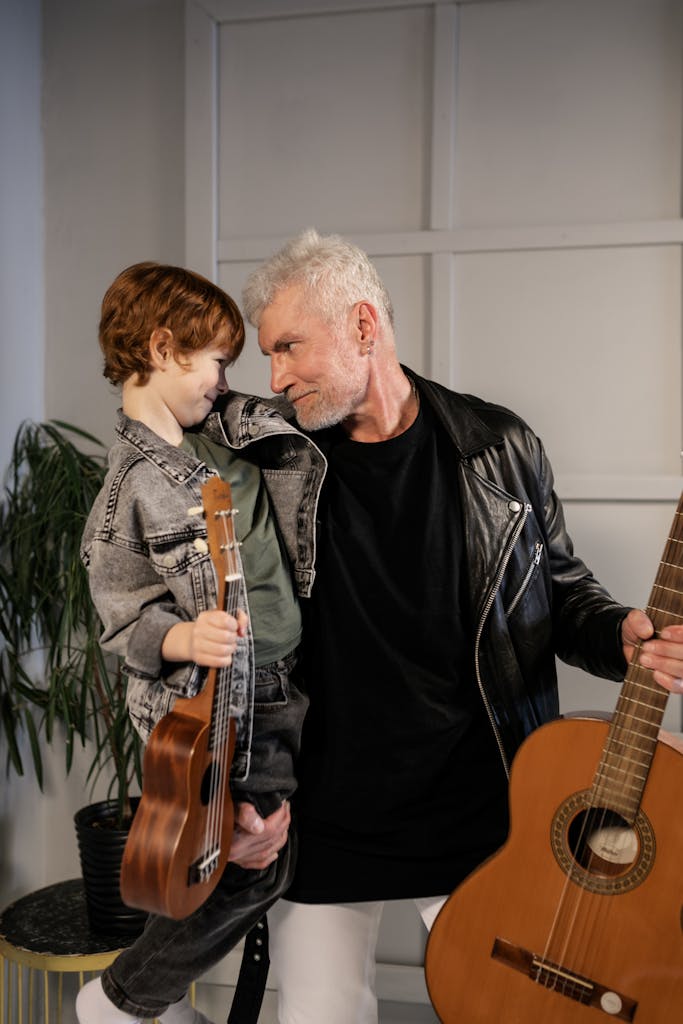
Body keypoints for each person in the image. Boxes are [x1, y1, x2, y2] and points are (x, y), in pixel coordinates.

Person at [237, 227, 683, 1024]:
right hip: (328, 812)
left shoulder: (497, 448)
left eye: (289, 347)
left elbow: (559, 594)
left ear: (363, 327)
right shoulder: (271, 461)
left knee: (513, 1013)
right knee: (316, 1015)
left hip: (482, 808)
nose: (274, 376)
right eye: (268, 355)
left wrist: (620, 633)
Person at [76, 262, 326, 1024]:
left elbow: (289, 433)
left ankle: (140, 1002)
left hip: (278, 680)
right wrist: (185, 634)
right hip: (222, 701)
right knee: (249, 867)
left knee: (243, 857)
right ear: (161, 347)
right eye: (216, 361)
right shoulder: (129, 490)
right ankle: (121, 1001)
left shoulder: (207, 440)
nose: (225, 381)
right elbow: (121, 618)